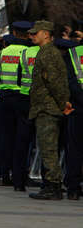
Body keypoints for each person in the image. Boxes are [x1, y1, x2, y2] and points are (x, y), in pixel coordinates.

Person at [27, 21, 73, 200]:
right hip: (46, 107)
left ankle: (53, 186)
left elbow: (54, 82)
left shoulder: (48, 54)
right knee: (48, 147)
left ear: (46, 34)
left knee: (48, 148)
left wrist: (63, 104)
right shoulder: (47, 53)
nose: (32, 36)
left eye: (35, 33)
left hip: (47, 107)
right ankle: (51, 184)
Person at [0, 21, 33, 190]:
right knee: (22, 139)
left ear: (15, 33)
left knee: (6, 137)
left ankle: (3, 174)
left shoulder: (3, 52)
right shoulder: (29, 51)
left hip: (4, 97)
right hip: (22, 97)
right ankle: (20, 177)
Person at [65, 36, 83, 200]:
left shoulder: (73, 54)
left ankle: (73, 189)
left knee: (75, 149)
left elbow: (70, 81)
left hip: (78, 107)